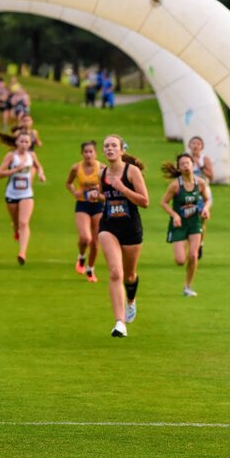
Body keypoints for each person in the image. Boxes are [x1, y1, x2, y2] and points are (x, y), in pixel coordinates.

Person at [97, 135, 149, 337]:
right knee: (115, 273)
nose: (109, 149)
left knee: (129, 276)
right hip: (108, 226)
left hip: (131, 228)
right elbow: (106, 196)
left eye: (113, 146)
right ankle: (120, 323)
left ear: (121, 150)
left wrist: (122, 188)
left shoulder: (132, 171)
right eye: (106, 146)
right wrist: (97, 195)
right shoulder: (102, 173)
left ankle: (131, 300)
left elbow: (145, 201)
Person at [161, 153, 211, 297]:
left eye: (187, 163)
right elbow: (164, 202)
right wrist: (175, 215)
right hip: (179, 224)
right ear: (179, 167)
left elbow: (207, 200)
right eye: (182, 164)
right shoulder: (175, 185)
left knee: (194, 256)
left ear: (192, 165)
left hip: (194, 223)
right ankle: (183, 248)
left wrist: (206, 209)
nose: (185, 166)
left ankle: (188, 286)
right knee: (180, 260)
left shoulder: (200, 183)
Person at [0, 133, 46, 265]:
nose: (24, 144)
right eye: (22, 141)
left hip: (26, 194)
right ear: (16, 142)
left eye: (27, 142)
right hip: (11, 194)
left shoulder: (32, 155)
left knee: (24, 223)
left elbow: (38, 166)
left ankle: (22, 253)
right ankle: (16, 230)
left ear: (30, 144)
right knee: (16, 223)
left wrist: (41, 173)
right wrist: (15, 169)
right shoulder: (11, 156)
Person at [65, 141, 104, 283]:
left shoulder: (101, 168)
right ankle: (81, 257)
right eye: (86, 152)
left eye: (91, 152)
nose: (88, 154)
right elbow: (68, 183)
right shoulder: (76, 168)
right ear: (82, 154)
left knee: (95, 242)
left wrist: (99, 190)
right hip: (82, 204)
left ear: (96, 153)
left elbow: (109, 184)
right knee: (85, 238)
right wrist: (75, 191)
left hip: (98, 205)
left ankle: (90, 268)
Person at [188, 135, 213, 259]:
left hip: (203, 193)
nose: (195, 146)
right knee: (188, 219)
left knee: (201, 221)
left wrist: (200, 165)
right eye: (193, 143)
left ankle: (199, 244)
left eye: (198, 143)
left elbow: (211, 176)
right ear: (189, 146)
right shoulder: (185, 160)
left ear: (202, 147)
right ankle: (192, 245)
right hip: (188, 194)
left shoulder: (205, 159)